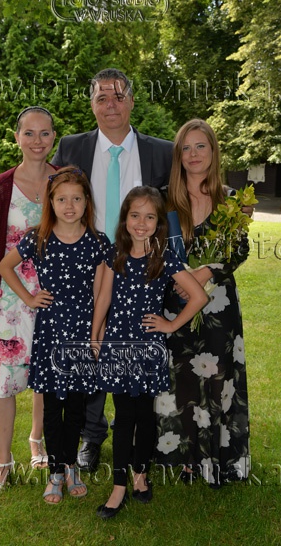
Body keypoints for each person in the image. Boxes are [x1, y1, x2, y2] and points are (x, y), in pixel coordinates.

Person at [0, 68, 174, 472]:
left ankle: (139, 439)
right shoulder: (72, 147)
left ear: (132, 100)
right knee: (83, 351)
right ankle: (90, 437)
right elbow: (39, 181)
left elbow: (192, 185)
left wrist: (231, 198)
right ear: (92, 105)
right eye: (102, 98)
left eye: (118, 96)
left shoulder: (161, 152)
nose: (111, 105)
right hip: (81, 274)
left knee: (130, 351)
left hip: (137, 272)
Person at [91, 186, 208, 519]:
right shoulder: (115, 253)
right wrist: (95, 335)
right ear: (125, 218)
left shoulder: (163, 257)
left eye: (149, 217)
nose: (141, 223)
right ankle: (118, 487)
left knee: (145, 416)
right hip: (117, 346)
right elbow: (103, 298)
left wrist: (170, 325)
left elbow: (199, 296)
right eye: (135, 215)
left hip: (147, 349)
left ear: (158, 224)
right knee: (123, 418)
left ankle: (141, 476)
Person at [0, 166, 110, 503]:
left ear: (87, 201)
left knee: (75, 406)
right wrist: (30, 297)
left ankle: (70, 467)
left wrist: (96, 337)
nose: (69, 205)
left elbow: (101, 294)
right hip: (50, 332)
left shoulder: (98, 243)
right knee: (51, 408)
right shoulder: (39, 238)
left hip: (81, 334)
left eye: (76, 198)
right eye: (62, 199)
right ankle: (55, 474)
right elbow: (5, 266)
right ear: (51, 202)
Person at [155, 119, 250, 488]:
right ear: (178, 155)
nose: (193, 154)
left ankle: (218, 458)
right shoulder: (163, 198)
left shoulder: (232, 201)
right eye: (186, 148)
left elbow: (238, 250)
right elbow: (146, 242)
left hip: (217, 304)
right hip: (174, 301)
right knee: (180, 377)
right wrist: (180, 278)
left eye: (200, 146)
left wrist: (206, 272)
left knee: (217, 378)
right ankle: (184, 458)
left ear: (213, 151)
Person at [0, 106, 58, 496]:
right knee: (5, 383)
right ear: (17, 138)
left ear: (54, 137)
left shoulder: (66, 180)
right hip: (10, 299)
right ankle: (3, 461)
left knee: (45, 376)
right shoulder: (0, 186)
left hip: (54, 296)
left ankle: (37, 441)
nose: (37, 141)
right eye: (29, 133)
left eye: (44, 133)